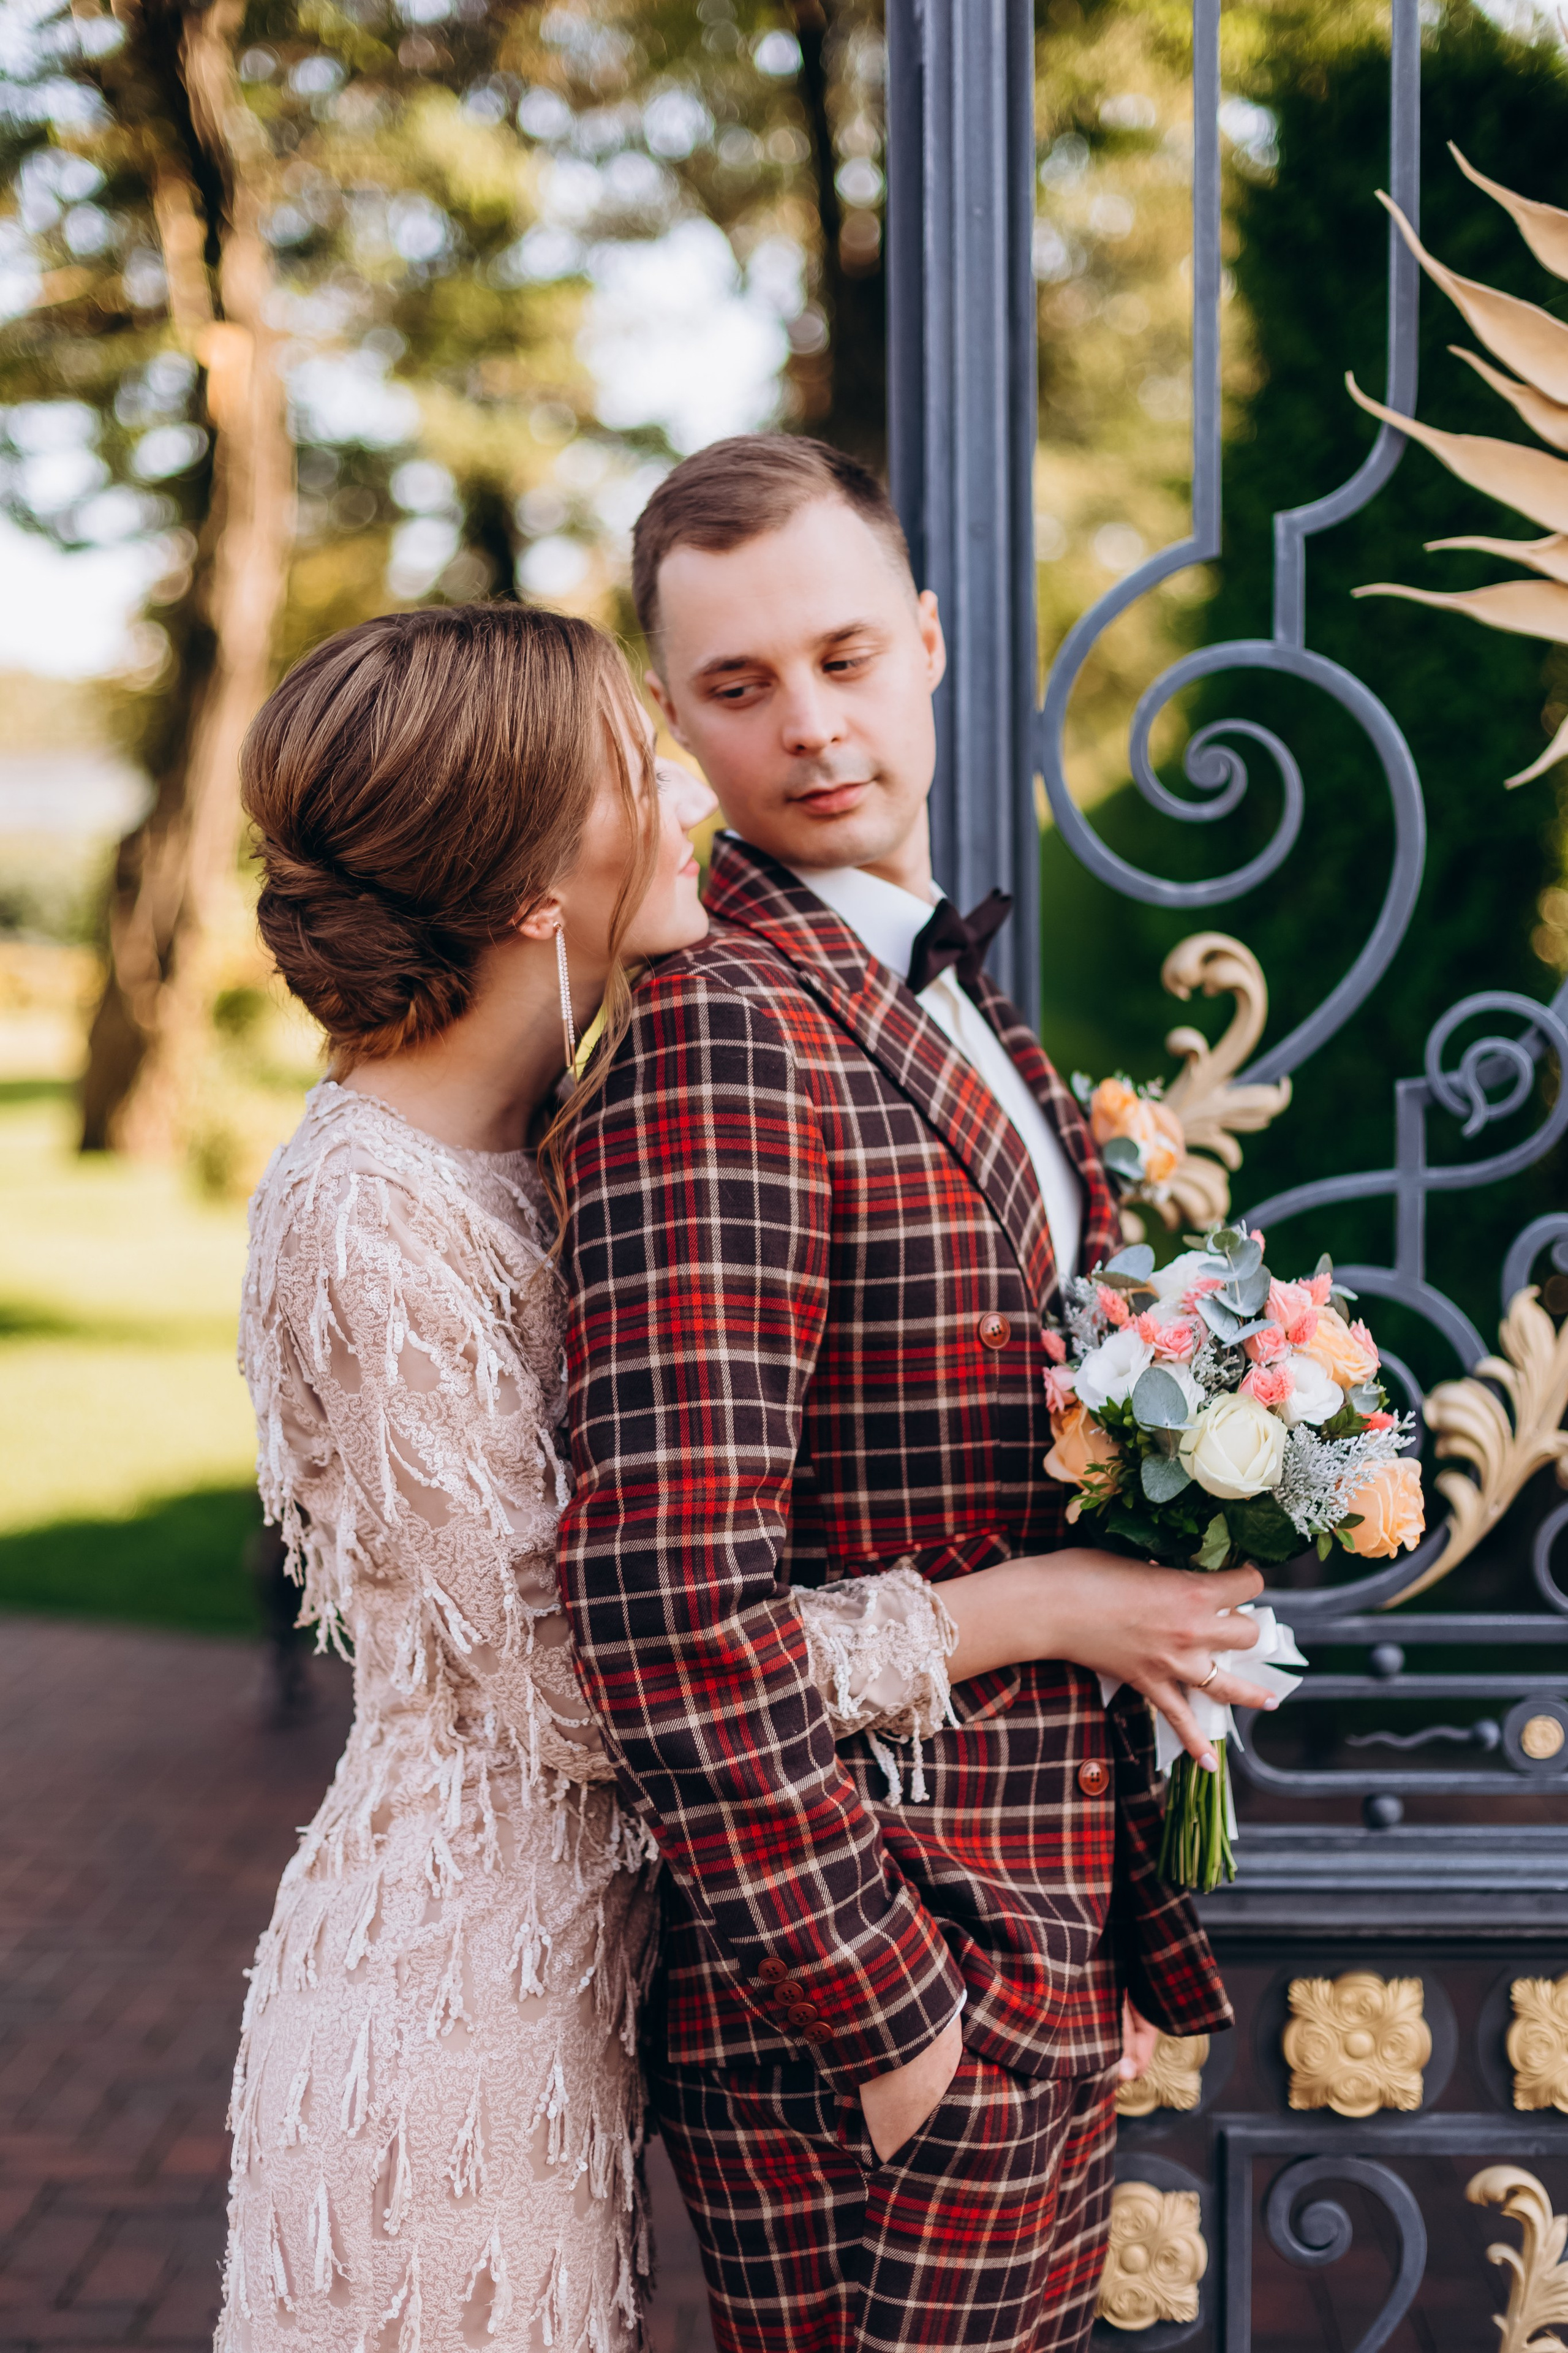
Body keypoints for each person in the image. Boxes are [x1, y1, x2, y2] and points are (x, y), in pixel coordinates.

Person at [557, 438, 1275, 2353]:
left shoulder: (950, 992)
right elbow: (663, 1601)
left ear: (934, 642)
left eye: (847, 656)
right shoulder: (723, 1027)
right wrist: (895, 2026)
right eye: (738, 685)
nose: (810, 724)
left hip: (1033, 1923)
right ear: (673, 715)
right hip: (874, 1991)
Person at [216, 603, 967, 2352]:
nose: (691, 788)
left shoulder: (537, 1139)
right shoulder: (361, 1219)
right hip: (443, 2030)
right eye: (641, 764)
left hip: (575, 2001)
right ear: (532, 891)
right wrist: (1003, 1614)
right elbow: (573, 1681)